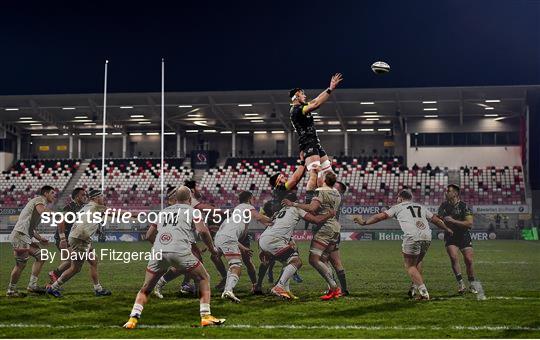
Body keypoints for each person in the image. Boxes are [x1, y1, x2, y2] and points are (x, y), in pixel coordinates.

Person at [123, 186, 225, 328]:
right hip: (179, 250)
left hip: (158, 250)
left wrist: (160, 247)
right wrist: (213, 249)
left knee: (146, 287)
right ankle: (206, 315)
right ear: (190, 199)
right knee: (204, 277)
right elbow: (203, 231)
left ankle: (132, 319)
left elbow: (148, 235)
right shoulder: (192, 211)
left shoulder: (163, 212)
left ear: (175, 199)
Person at [354, 189, 452, 300]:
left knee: (410, 266)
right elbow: (436, 220)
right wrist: (447, 229)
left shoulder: (398, 207)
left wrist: (364, 222)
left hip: (412, 236)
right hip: (427, 236)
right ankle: (414, 288)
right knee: (418, 261)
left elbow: (380, 216)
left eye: (397, 198)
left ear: (400, 198)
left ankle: (423, 292)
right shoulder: (420, 207)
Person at [259, 192, 335, 299]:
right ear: (295, 202)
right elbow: (317, 220)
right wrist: (330, 214)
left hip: (264, 239)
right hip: (274, 240)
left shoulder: (280, 211)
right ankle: (279, 287)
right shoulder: (297, 208)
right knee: (296, 262)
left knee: (288, 263)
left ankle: (286, 291)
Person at [282, 172, 342, 300]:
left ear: (324, 180)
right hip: (335, 228)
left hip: (324, 228)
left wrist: (294, 204)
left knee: (313, 259)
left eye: (320, 177)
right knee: (324, 259)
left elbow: (312, 208)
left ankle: (334, 287)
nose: (318, 179)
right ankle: (333, 289)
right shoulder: (336, 192)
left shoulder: (320, 191)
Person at [46, 190, 111, 297]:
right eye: (82, 195)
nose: (85, 197)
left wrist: (95, 229)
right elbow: (61, 220)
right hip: (70, 238)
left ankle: (98, 288)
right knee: (73, 266)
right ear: (76, 197)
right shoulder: (70, 207)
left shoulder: (85, 206)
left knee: (92, 260)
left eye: (86, 195)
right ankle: (53, 283)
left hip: (81, 237)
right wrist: (62, 238)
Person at [214, 191, 272, 303]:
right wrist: (275, 221)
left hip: (221, 236)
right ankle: (229, 289)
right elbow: (259, 217)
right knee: (236, 265)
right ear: (250, 198)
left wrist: (242, 247)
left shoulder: (237, 210)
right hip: (229, 237)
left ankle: (229, 283)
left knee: (223, 259)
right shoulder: (247, 206)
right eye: (253, 198)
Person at [289, 74, 343, 186]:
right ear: (296, 96)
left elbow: (316, 100)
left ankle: (329, 197)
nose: (305, 95)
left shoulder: (302, 107)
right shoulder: (297, 110)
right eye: (302, 93)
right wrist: (330, 89)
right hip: (307, 143)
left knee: (329, 173)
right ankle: (312, 200)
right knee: (315, 173)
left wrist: (330, 88)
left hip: (315, 142)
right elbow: (317, 104)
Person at [7, 185, 56, 297]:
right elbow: (43, 212)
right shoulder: (39, 200)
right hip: (20, 235)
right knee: (20, 265)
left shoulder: (39, 203)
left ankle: (32, 285)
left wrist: (40, 238)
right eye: (52, 193)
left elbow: (31, 229)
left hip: (24, 236)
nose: (54, 195)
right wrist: (57, 215)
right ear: (45, 193)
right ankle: (11, 290)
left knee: (42, 256)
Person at [437, 184, 484, 297]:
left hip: (463, 235)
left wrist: (453, 221)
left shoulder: (464, 206)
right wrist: (444, 225)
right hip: (450, 235)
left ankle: (472, 283)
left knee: (468, 260)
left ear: (455, 193)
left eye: (448, 191)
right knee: (453, 258)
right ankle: (461, 283)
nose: (446, 193)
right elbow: (439, 221)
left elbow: (469, 224)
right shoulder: (443, 206)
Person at [319, 181, 349, 295]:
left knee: (325, 261)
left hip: (328, 232)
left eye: (335, 186)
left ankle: (335, 288)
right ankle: (340, 289)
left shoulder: (336, 198)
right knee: (330, 261)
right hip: (332, 232)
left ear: (340, 191)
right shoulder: (334, 197)